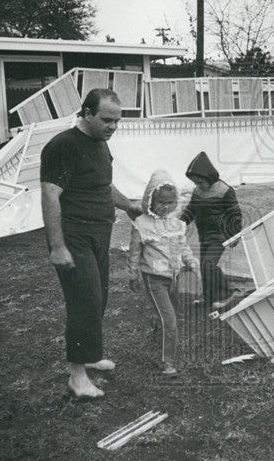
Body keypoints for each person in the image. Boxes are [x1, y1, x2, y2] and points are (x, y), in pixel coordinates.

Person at [40, 88, 140, 399]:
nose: (112, 127)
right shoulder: (62, 146)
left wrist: (129, 206)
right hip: (74, 235)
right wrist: (57, 247)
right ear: (86, 113)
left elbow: (103, 184)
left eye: (117, 121)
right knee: (84, 301)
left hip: (100, 233)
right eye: (106, 120)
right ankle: (77, 376)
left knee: (99, 299)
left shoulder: (99, 144)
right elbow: (49, 195)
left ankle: (90, 354)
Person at [128, 169, 199, 376]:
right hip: (154, 278)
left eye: (170, 202)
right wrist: (133, 275)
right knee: (171, 321)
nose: (165, 206)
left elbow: (183, 246)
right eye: (161, 202)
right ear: (150, 200)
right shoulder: (141, 224)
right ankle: (167, 362)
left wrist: (191, 262)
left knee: (171, 314)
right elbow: (134, 253)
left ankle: (158, 326)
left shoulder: (177, 224)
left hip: (174, 277)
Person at [181, 151, 243, 309]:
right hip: (205, 236)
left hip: (219, 235)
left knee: (209, 264)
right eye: (195, 183)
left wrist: (235, 233)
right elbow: (191, 210)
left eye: (200, 182)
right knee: (204, 267)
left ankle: (228, 294)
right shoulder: (198, 191)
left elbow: (234, 214)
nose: (198, 186)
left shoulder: (224, 190)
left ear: (209, 177)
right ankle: (208, 298)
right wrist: (180, 223)